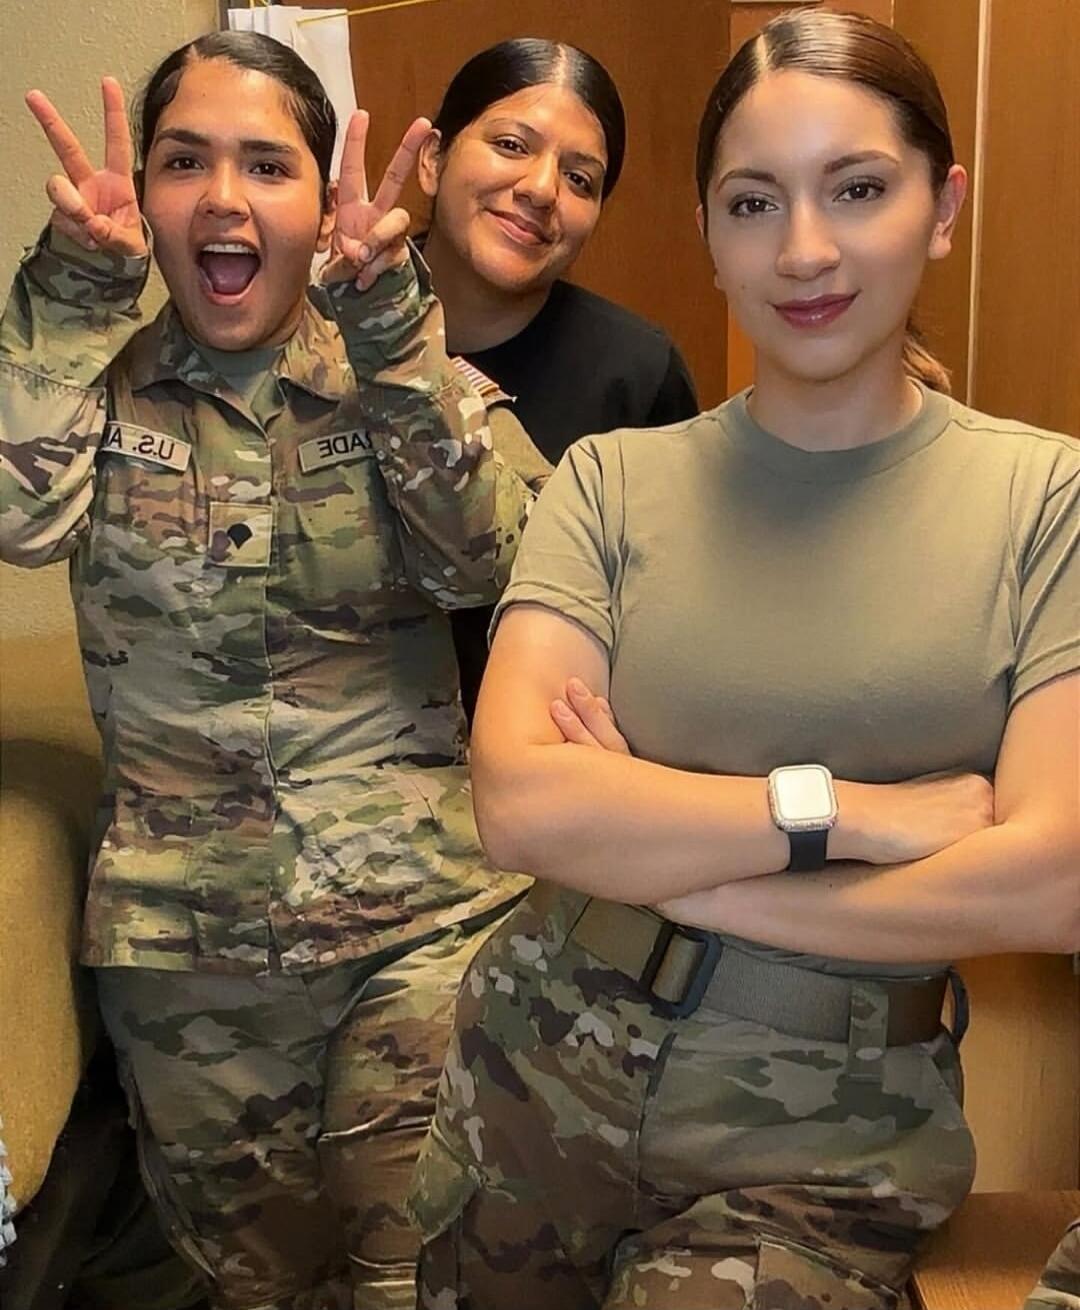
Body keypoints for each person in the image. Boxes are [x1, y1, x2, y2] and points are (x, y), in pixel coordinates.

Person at [411, 10, 1079, 1309]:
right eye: (756, 200)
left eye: (860, 189)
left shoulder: (1044, 503)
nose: (807, 247)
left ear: (942, 205)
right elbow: (519, 799)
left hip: (812, 1147)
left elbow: (1051, 877)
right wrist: (861, 815)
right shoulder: (611, 478)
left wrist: (674, 867)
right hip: (525, 1087)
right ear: (712, 234)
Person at [0, 30, 544, 1310]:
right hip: (188, 955)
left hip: (417, 927)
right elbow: (15, 520)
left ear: (321, 202)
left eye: (268, 164)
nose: (226, 199)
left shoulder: (412, 377)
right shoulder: (96, 395)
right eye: (185, 162)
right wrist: (70, 292)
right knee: (260, 1290)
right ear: (144, 198)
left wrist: (395, 329)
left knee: (412, 1265)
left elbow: (487, 563)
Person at [415, 38, 699, 717]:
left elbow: (672, 620)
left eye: (580, 179)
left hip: (543, 765)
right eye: (513, 145)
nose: (542, 190)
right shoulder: (328, 328)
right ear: (433, 158)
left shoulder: (636, 372)